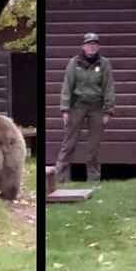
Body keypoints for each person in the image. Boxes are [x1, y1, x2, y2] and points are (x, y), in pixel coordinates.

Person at [54, 32, 116, 183]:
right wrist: (65, 109)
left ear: (98, 46)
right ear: (83, 46)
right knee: (69, 143)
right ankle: (58, 178)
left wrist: (108, 110)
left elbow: (109, 87)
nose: (92, 47)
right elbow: (67, 86)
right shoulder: (74, 63)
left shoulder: (104, 63)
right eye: (89, 44)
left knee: (93, 145)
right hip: (77, 106)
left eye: (94, 44)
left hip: (97, 108)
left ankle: (94, 180)